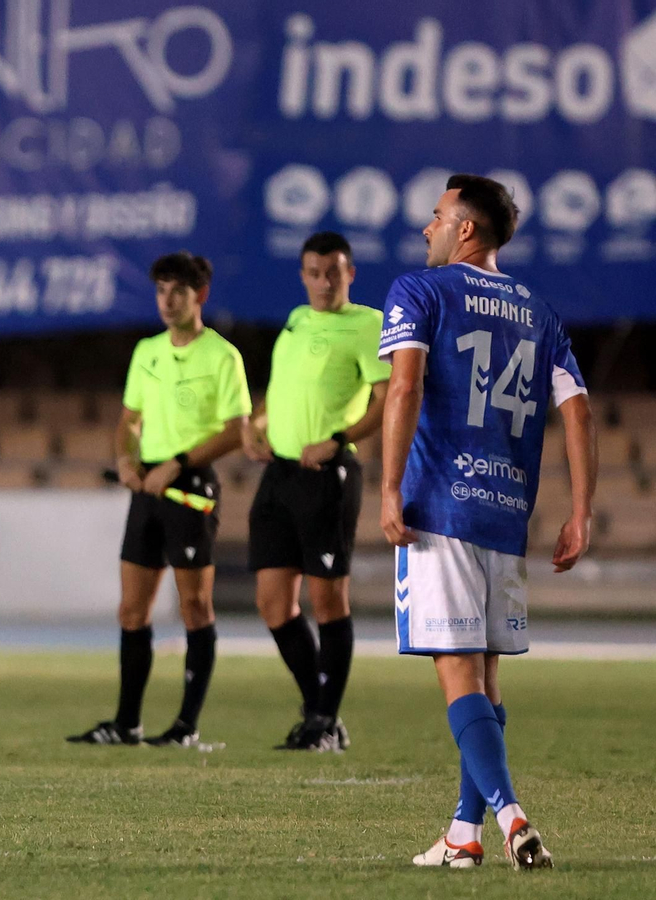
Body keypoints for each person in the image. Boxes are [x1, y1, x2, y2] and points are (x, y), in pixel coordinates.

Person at [380, 174, 596, 870]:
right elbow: (578, 410)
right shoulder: (537, 311)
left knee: (456, 671)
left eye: (437, 216)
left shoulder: (420, 291)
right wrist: (581, 510)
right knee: (486, 678)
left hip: (441, 505)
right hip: (508, 511)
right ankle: (463, 834)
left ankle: (511, 817)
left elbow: (405, 385)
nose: (427, 228)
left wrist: (388, 487)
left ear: (464, 229)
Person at [68, 251, 251, 748]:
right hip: (147, 491)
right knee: (132, 610)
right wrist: (126, 461)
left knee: (195, 606)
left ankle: (186, 727)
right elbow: (128, 421)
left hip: (190, 490)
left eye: (178, 291)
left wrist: (180, 462)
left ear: (201, 296)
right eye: (161, 291)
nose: (167, 301)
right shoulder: (147, 350)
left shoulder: (222, 356)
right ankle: (127, 724)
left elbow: (238, 431)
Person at [243, 232, 389, 751]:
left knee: (327, 598)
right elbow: (286, 387)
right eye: (314, 272)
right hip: (279, 473)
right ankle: (319, 713)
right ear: (303, 275)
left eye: (334, 271)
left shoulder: (369, 324)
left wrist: (340, 439)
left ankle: (323, 720)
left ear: (351, 274)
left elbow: (388, 401)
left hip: (329, 474)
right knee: (272, 603)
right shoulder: (297, 320)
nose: (325, 281)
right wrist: (255, 421)